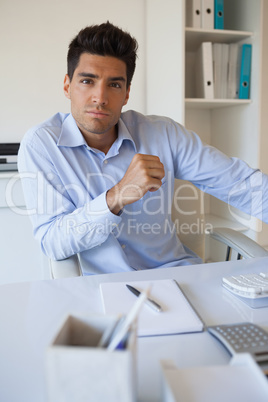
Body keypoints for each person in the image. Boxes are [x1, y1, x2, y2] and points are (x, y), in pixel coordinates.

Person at [18, 21, 268, 275]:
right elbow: (52, 241)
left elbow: (240, 183)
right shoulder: (41, 144)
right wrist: (117, 196)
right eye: (87, 81)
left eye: (114, 85)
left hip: (174, 275)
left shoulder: (163, 134)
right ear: (67, 86)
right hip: (101, 291)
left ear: (126, 93)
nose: (100, 98)